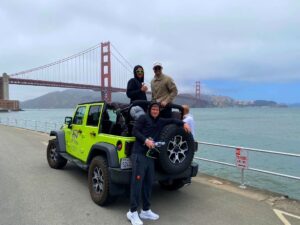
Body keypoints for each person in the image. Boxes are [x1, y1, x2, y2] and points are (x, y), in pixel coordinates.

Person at [127, 102, 190, 225]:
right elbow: (135, 131)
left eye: (157, 109)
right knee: (137, 184)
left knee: (148, 183)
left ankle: (145, 210)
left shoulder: (160, 121)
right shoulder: (143, 118)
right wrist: (145, 140)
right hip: (139, 154)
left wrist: (184, 123)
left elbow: (172, 120)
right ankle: (132, 212)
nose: (155, 111)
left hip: (150, 156)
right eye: (153, 109)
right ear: (149, 109)